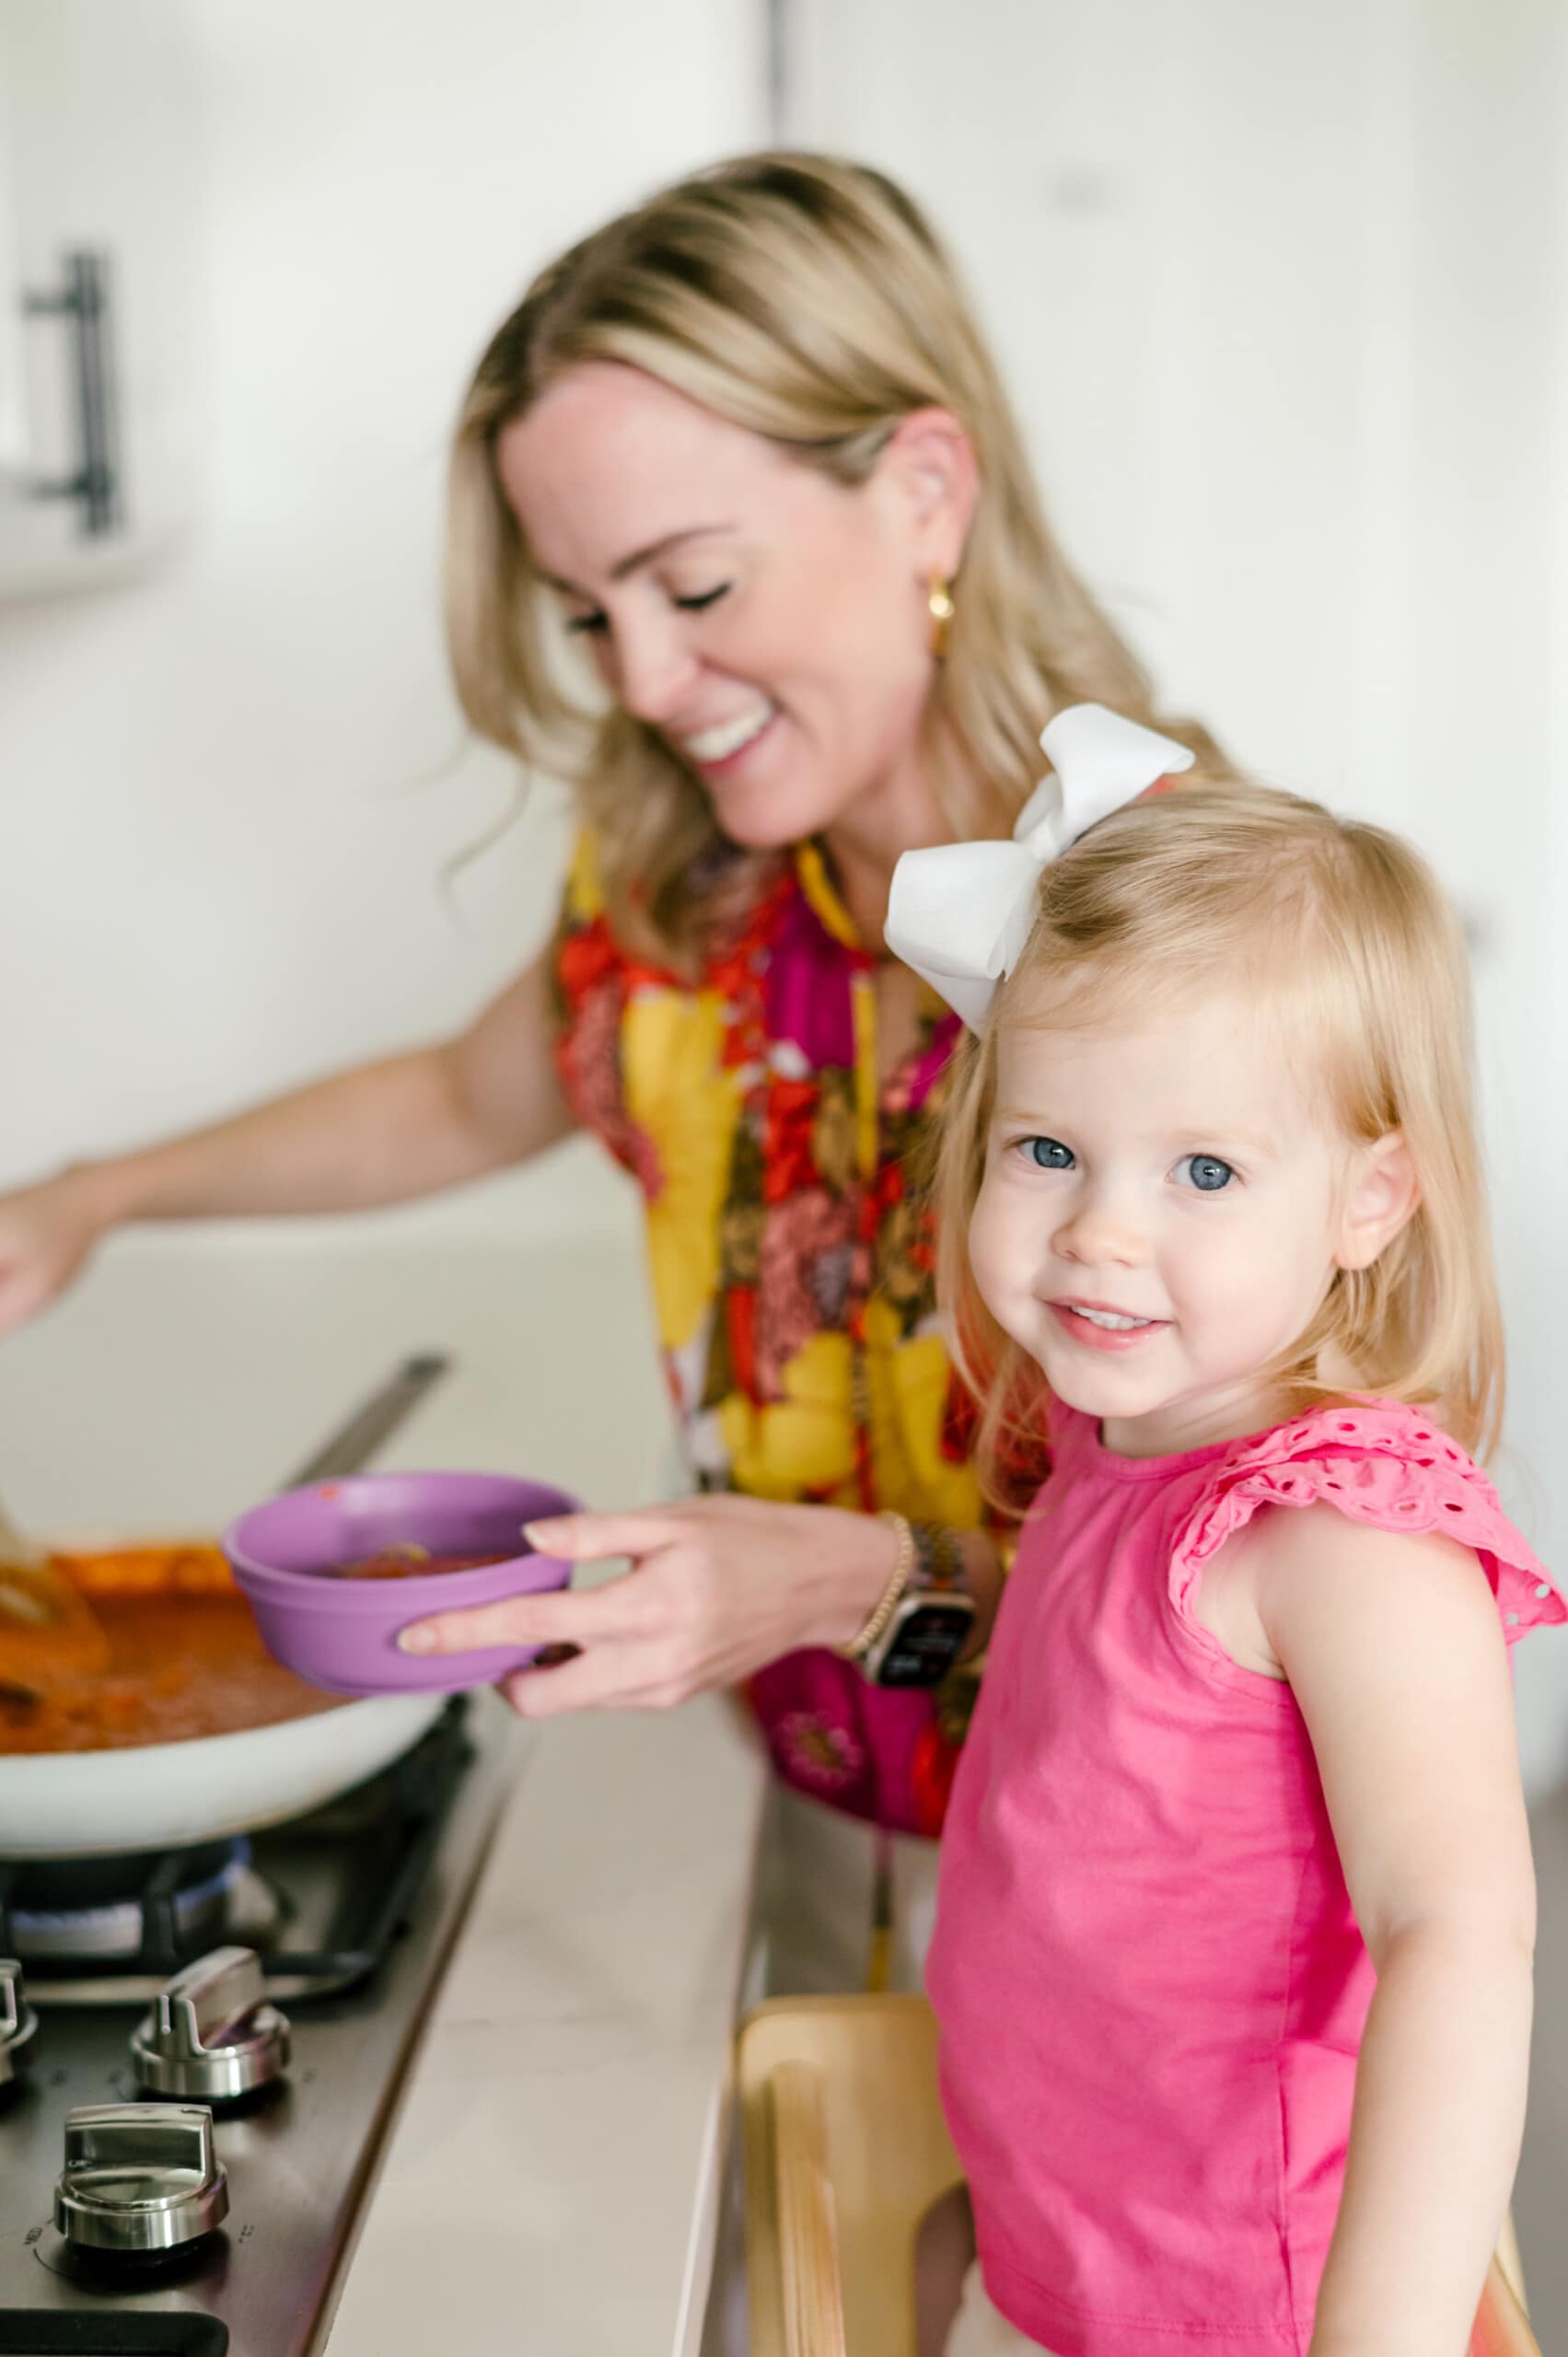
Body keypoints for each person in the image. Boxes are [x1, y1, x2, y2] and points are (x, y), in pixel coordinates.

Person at [0, 155, 1230, 1991]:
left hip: (1165, 1892)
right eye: (589, 611)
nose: (642, 679)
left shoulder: (1192, 922)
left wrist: (852, 1578)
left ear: (921, 490)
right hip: (824, 1822)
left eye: (693, 582)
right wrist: (91, 1193)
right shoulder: (695, 884)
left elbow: (1277, 1551)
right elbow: (458, 1094)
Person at [880, 727, 1563, 2354]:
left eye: (1204, 1170)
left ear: (1367, 1203)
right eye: (1048, 1150)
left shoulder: (1338, 1532)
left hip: (1245, 2323)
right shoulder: (1116, 1434)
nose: (1101, 1231)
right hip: (1057, 2276)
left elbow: (1460, 1936)